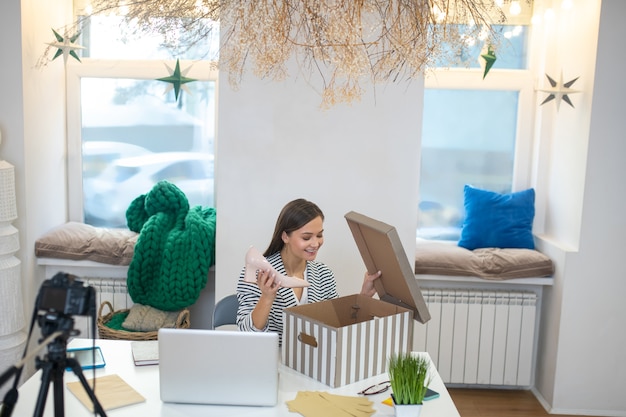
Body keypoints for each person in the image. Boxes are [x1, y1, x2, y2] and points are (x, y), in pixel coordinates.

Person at [236, 198, 381, 345]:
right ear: (285, 236)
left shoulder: (324, 274)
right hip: (272, 359)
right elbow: (247, 333)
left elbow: (337, 325)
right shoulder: (257, 274)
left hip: (311, 361)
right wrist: (267, 297)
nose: (315, 243)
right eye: (306, 237)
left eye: (319, 235)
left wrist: (364, 296)